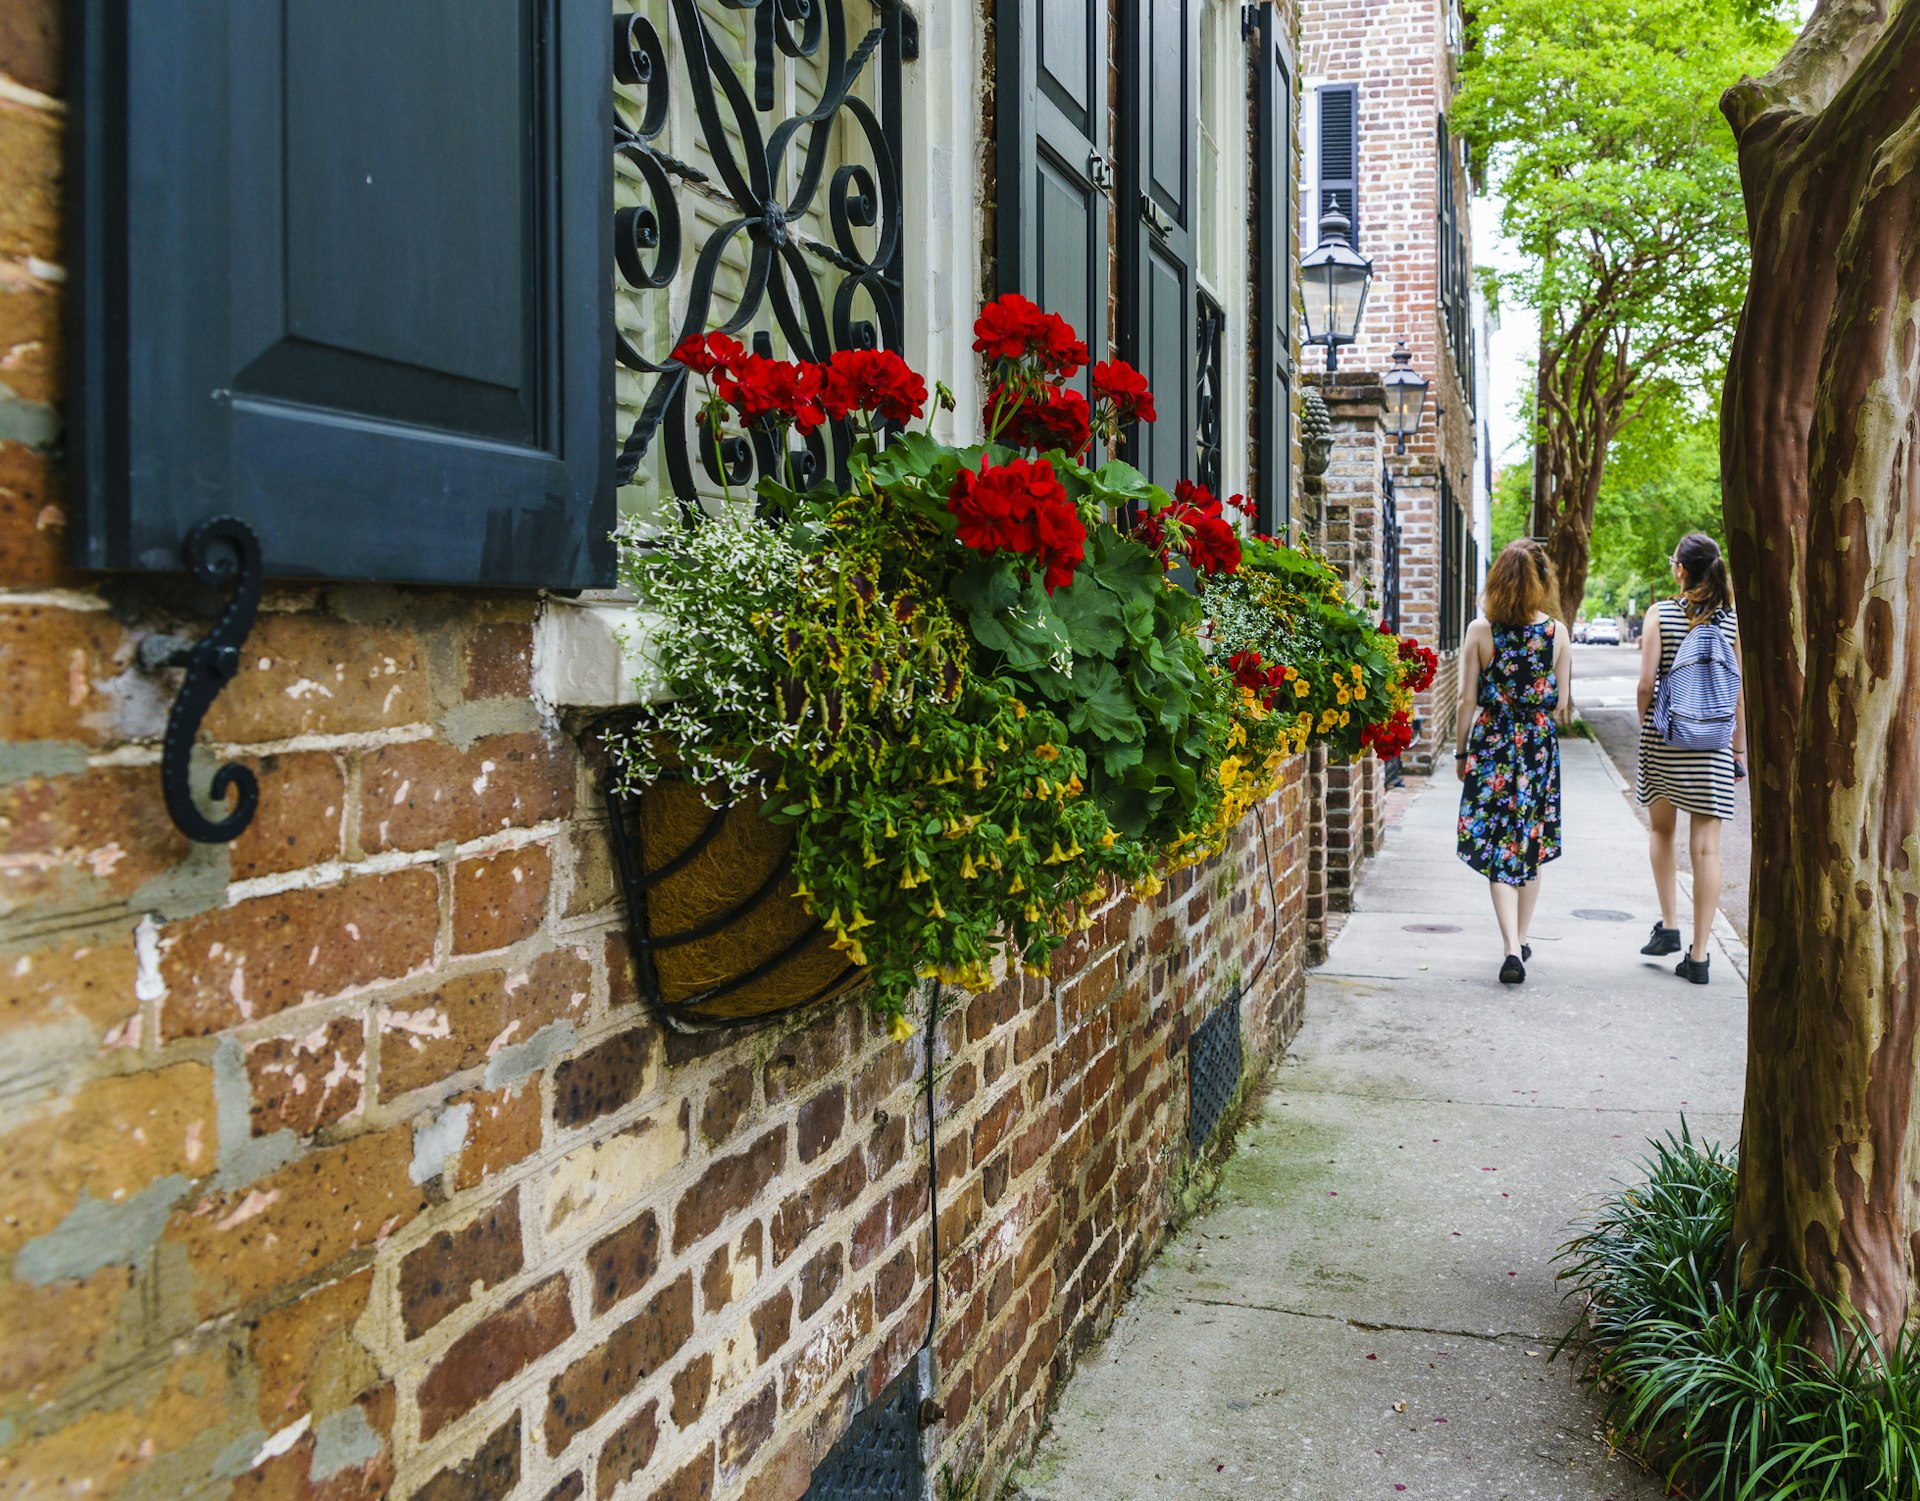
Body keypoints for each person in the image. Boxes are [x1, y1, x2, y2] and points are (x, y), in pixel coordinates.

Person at [1455, 540, 1572, 984]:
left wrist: (1461, 751)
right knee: (1531, 843)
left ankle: (1508, 947)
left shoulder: (1480, 632)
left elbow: (1467, 699)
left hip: (1494, 744)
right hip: (1538, 746)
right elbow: (1559, 702)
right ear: (1540, 584)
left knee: (1497, 844)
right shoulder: (1557, 633)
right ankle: (1521, 940)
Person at [1635, 532, 1744, 984]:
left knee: (1662, 830)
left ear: (1680, 569)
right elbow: (1738, 690)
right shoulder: (1732, 622)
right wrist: (1737, 749)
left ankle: (1670, 926)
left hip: (1667, 739)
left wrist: (1648, 725)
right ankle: (1699, 956)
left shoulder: (1660, 614)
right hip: (1714, 746)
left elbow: (1646, 685)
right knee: (1707, 849)